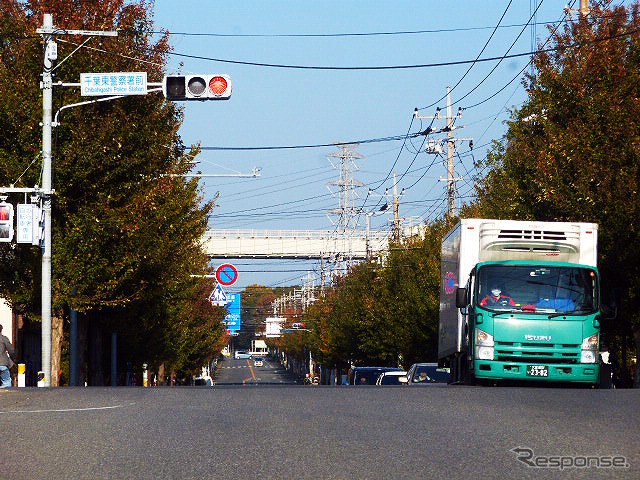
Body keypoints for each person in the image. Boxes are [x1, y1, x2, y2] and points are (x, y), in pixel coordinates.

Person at [0, 324, 16, 388]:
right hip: (2, 364)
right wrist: (13, 359)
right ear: (1, 330)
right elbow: (11, 350)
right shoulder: (4, 339)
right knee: (6, 381)